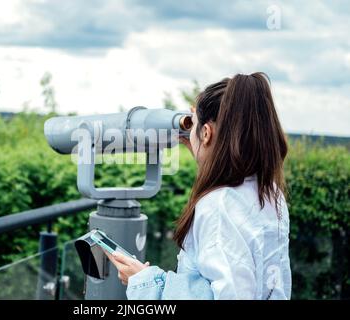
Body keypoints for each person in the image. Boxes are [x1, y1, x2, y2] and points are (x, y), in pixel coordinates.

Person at [104, 72, 292, 300]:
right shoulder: (270, 194)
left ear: (206, 132)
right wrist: (205, 148)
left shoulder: (218, 207)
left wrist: (146, 282)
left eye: (194, 127)